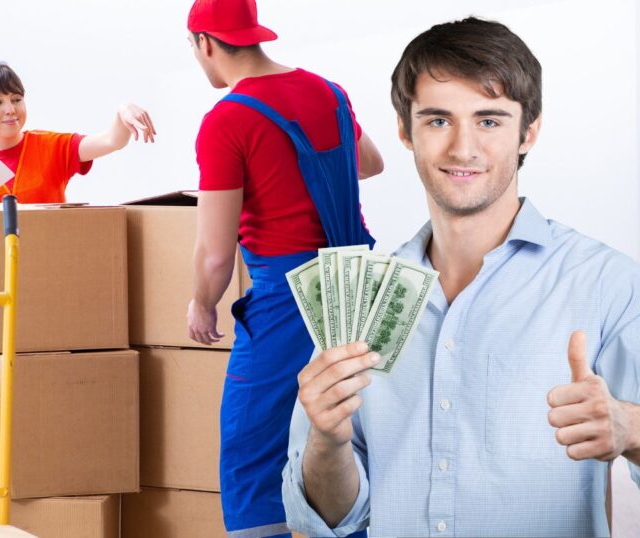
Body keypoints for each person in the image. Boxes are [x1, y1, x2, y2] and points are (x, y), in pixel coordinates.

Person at [283, 17, 640, 537]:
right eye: (437, 120)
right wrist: (328, 440)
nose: (463, 149)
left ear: (529, 131)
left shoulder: (610, 284)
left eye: (489, 120)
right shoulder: (362, 301)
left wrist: (630, 427)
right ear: (405, 130)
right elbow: (330, 517)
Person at [183, 0, 384, 535]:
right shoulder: (328, 91)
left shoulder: (227, 119)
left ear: (204, 42)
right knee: (347, 427)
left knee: (252, 444)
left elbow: (216, 251)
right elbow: (369, 162)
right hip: (356, 283)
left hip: (287, 295)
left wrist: (203, 304)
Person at [0, 63, 156, 203]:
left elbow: (112, 140)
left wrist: (123, 109)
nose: (10, 109)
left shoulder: (52, 146)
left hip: (49, 260)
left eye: (16, 99)